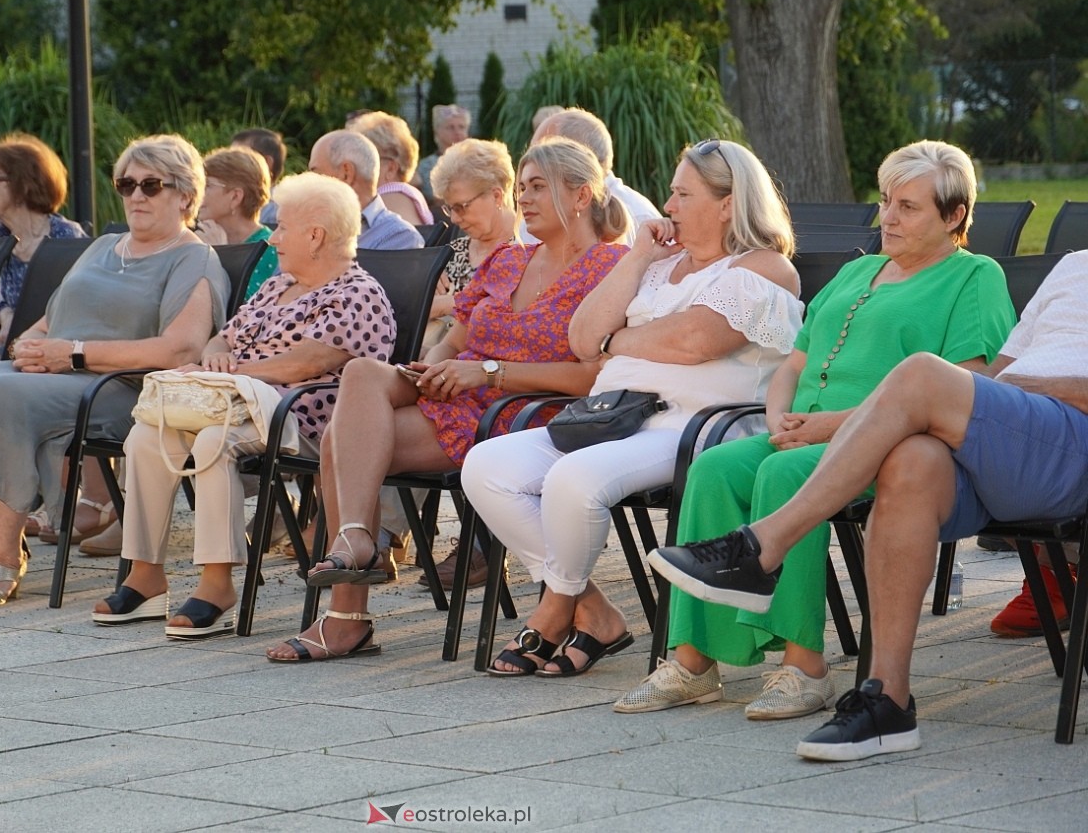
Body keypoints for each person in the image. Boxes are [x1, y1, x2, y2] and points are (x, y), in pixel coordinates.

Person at [615, 140, 1016, 719]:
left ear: (955, 216)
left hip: (894, 447)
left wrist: (829, 425)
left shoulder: (974, 278)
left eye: (909, 207)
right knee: (712, 466)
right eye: (885, 202)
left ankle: (805, 667)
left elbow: (969, 390)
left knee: (783, 471)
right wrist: (778, 415)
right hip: (801, 432)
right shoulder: (860, 269)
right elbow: (795, 364)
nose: (889, 219)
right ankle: (694, 661)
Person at [649, 249, 1088, 760]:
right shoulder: (1074, 263)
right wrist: (1011, 388)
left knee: (922, 373)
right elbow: (1002, 373)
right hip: (1008, 438)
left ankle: (763, 548)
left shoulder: (975, 274)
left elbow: (1000, 380)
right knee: (910, 462)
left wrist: (1031, 387)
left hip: (1070, 443)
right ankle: (888, 702)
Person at [265, 136, 629, 663]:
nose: (523, 198)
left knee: (338, 449)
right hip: (459, 390)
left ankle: (346, 617)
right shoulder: (509, 261)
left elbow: (594, 375)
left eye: (536, 187)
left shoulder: (609, 267)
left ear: (580, 195)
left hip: (522, 411)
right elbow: (457, 337)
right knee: (364, 374)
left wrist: (485, 373)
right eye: (521, 186)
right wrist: (435, 364)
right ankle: (354, 544)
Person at [463, 139, 803, 676]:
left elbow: (694, 342)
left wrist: (615, 338)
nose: (667, 207)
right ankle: (589, 607)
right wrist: (640, 256)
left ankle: (555, 609)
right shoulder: (657, 265)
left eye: (682, 194)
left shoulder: (763, 268)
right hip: (613, 416)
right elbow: (581, 337)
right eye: (671, 193)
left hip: (695, 428)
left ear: (728, 202)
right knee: (487, 466)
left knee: (573, 479)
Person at [0, 134, 230, 608]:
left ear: (186, 195)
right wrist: (31, 341)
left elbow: (179, 350)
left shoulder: (194, 257)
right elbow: (51, 317)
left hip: (118, 387)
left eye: (152, 185)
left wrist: (76, 354)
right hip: (57, 367)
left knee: (5, 394)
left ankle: (6, 555)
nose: (136, 196)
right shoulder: (104, 246)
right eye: (126, 184)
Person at [92, 173, 396, 637]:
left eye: (283, 228)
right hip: (236, 401)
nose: (273, 238)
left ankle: (217, 584)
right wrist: (214, 353)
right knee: (148, 434)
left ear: (316, 235)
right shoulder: (279, 285)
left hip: (304, 421)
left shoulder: (357, 293)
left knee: (216, 441)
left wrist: (229, 373)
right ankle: (145, 574)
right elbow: (225, 334)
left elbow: (304, 364)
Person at [399, 137, 518, 586]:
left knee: (383, 411)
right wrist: (431, 362)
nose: (456, 219)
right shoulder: (457, 252)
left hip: (501, 375)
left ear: (497, 194)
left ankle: (482, 544)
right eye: (449, 209)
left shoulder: (527, 248)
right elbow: (442, 321)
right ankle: (370, 535)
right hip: (453, 360)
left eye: (463, 206)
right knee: (370, 392)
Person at [0, 133, 86, 356]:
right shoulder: (3, 234)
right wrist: (7, 315)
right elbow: (4, 297)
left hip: (52, 353)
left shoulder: (65, 237)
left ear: (22, 184)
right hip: (11, 350)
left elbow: (74, 307)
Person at [525, 108, 660, 244]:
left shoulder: (640, 218)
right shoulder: (534, 213)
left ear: (578, 157)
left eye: (545, 153)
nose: (532, 160)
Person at [309, 131, 423, 251]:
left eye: (317, 174)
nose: (310, 183)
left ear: (346, 174)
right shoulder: (308, 226)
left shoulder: (400, 237)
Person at [195, 145, 280, 299]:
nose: (197, 193)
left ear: (235, 197)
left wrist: (220, 255)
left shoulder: (271, 248)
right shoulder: (197, 237)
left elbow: (245, 309)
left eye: (207, 186)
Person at [348, 111, 434, 226]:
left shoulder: (389, 195)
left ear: (391, 169)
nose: (355, 168)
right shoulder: (411, 195)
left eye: (365, 159)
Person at [415, 104, 470, 205]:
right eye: (450, 127)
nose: (457, 132)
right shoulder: (426, 166)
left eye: (461, 127)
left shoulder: (476, 162)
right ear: (437, 132)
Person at [231, 128, 286, 225]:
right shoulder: (225, 198)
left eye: (240, 157)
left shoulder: (277, 210)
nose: (230, 163)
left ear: (266, 162)